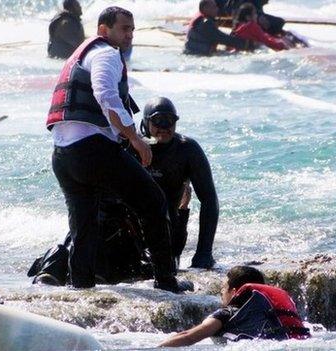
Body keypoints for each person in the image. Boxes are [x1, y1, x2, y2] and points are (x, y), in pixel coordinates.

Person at [47, 6, 189, 293]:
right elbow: (106, 95)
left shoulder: (83, 54)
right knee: (153, 201)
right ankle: (166, 281)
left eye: (132, 30)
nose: (129, 35)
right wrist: (134, 137)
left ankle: (81, 286)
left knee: (84, 222)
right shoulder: (106, 54)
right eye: (124, 29)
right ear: (104, 30)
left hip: (63, 154)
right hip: (92, 151)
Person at [139, 97, 219, 269]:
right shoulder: (133, 146)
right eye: (158, 121)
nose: (164, 127)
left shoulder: (187, 150)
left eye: (170, 121)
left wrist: (203, 253)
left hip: (170, 230)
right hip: (135, 229)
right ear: (145, 123)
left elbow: (209, 200)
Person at [158, 265, 310, 347]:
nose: (221, 291)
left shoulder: (228, 312)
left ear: (234, 291)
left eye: (224, 287)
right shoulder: (271, 312)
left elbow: (189, 337)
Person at [28, 196, 153, 286]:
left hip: (100, 260)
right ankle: (48, 280)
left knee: (61, 253)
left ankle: (48, 280)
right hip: (93, 259)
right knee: (60, 252)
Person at [184, 0, 252, 56]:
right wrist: (245, 44)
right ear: (206, 9)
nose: (217, 9)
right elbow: (222, 38)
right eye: (214, 7)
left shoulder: (205, 20)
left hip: (196, 52)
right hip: (196, 54)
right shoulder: (205, 23)